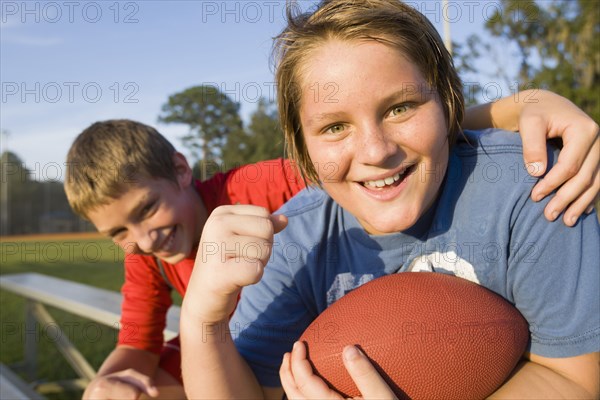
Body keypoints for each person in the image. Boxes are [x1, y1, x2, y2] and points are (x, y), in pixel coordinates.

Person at [180, 1, 599, 399]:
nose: (375, 151)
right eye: (334, 127)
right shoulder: (295, 241)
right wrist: (203, 318)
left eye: (400, 108)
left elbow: (574, 379)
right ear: (301, 148)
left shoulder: (529, 186)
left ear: (447, 102)